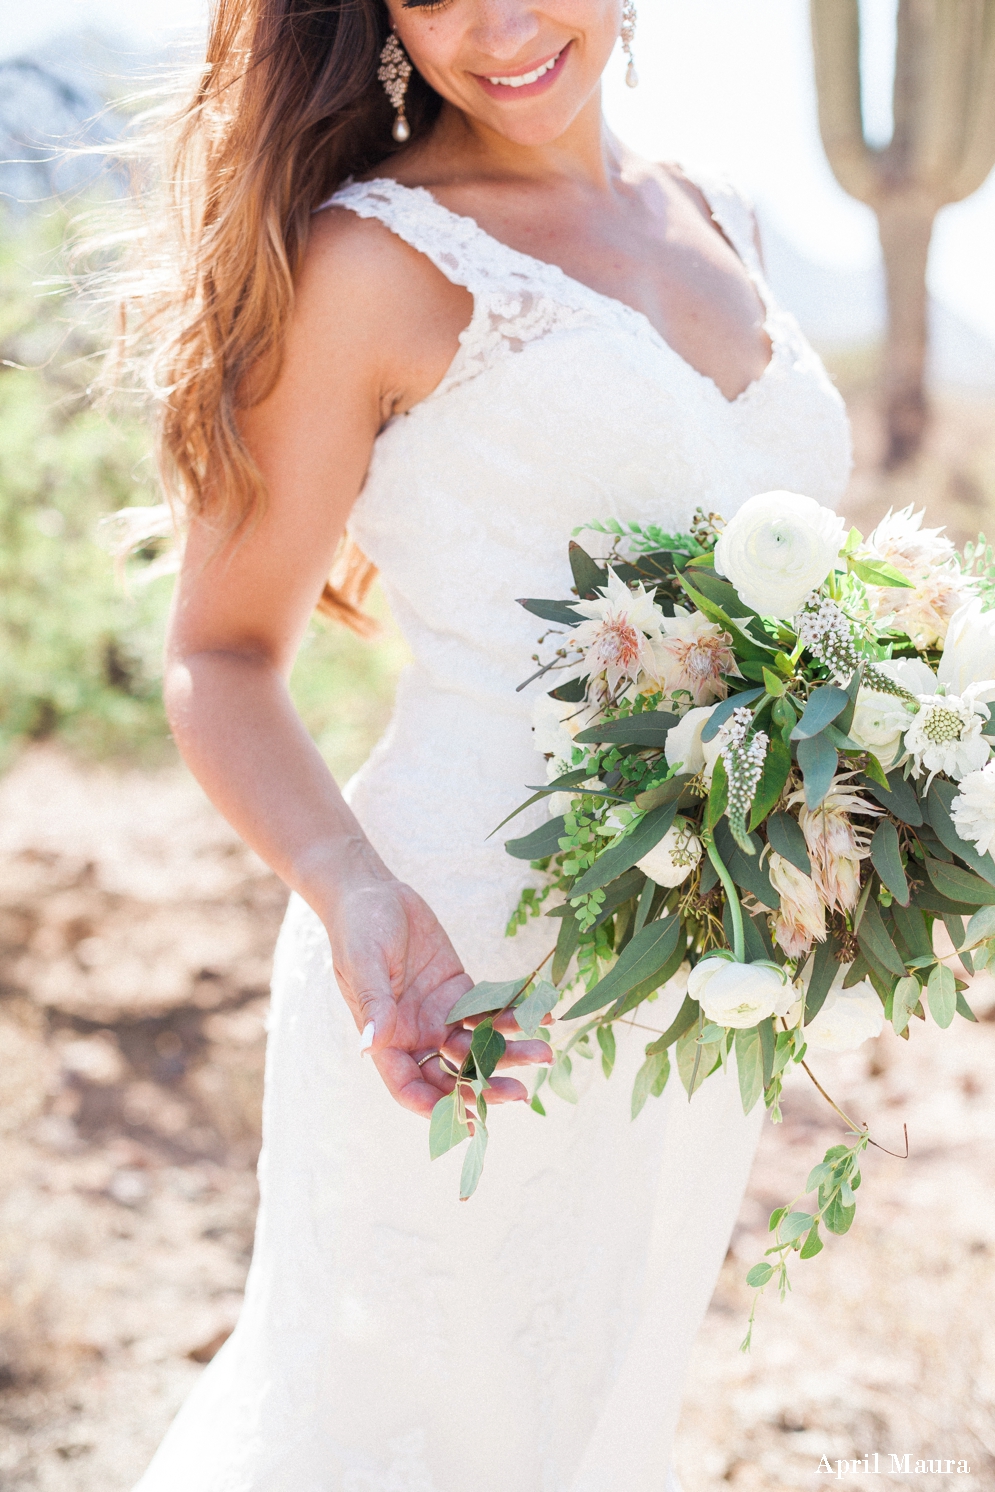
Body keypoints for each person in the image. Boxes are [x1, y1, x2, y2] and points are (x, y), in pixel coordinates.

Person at [129, 2, 852, 1488]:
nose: (498, 25)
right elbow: (221, 653)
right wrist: (356, 891)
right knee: (392, 1432)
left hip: (698, 985)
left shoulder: (731, 220)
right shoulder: (373, 261)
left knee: (592, 1419)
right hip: (458, 969)